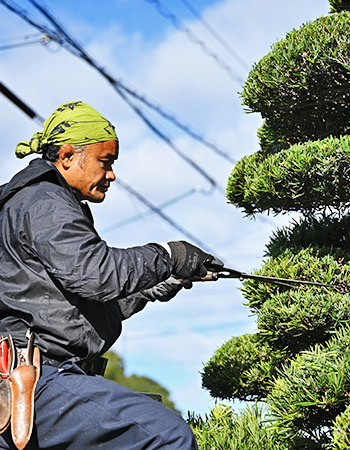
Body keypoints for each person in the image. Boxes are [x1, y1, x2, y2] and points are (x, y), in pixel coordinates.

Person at [0, 101, 221, 450]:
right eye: (106, 162)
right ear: (68, 156)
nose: (112, 174)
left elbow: (89, 302)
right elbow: (98, 274)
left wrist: (167, 280)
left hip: (37, 377)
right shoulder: (44, 201)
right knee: (166, 435)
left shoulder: (36, 201)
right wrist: (169, 255)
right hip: (37, 377)